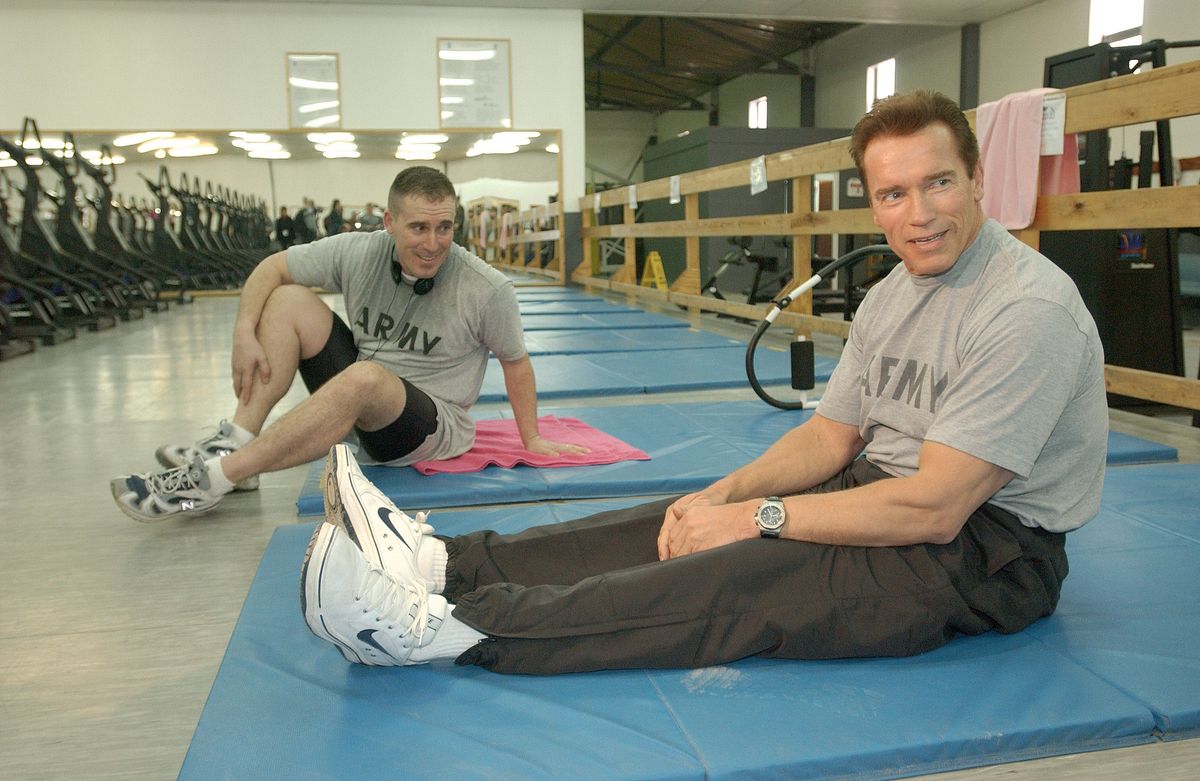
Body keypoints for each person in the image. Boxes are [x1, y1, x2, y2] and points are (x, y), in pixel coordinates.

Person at [298, 91, 1108, 673]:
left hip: (985, 549)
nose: (918, 212)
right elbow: (830, 435)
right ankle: (445, 563)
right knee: (669, 524)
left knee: (729, 575)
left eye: (938, 183)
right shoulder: (894, 292)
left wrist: (758, 521)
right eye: (894, 193)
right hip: (882, 486)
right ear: (872, 204)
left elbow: (935, 507)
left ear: (976, 178)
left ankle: (446, 627)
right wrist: (723, 497)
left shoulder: (1026, 306)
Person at [111, 166, 586, 523]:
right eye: (419, 227)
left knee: (364, 377)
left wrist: (533, 438)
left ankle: (213, 478)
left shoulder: (487, 289)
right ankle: (237, 438)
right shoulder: (359, 251)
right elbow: (272, 267)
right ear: (389, 223)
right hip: (363, 398)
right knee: (289, 298)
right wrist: (243, 334)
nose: (433, 243)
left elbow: (515, 363)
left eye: (445, 227)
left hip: (428, 428)